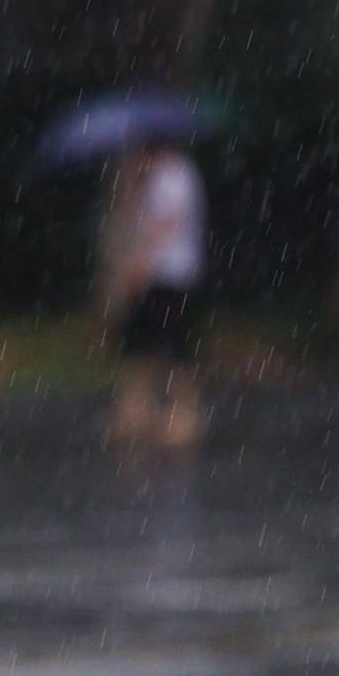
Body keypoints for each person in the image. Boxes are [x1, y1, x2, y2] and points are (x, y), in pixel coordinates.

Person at [101, 140, 207, 450]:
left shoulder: (172, 174)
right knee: (140, 344)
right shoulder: (165, 175)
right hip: (160, 274)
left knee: (173, 345)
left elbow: (167, 222)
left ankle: (182, 416)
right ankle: (136, 411)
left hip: (168, 273)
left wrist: (140, 261)